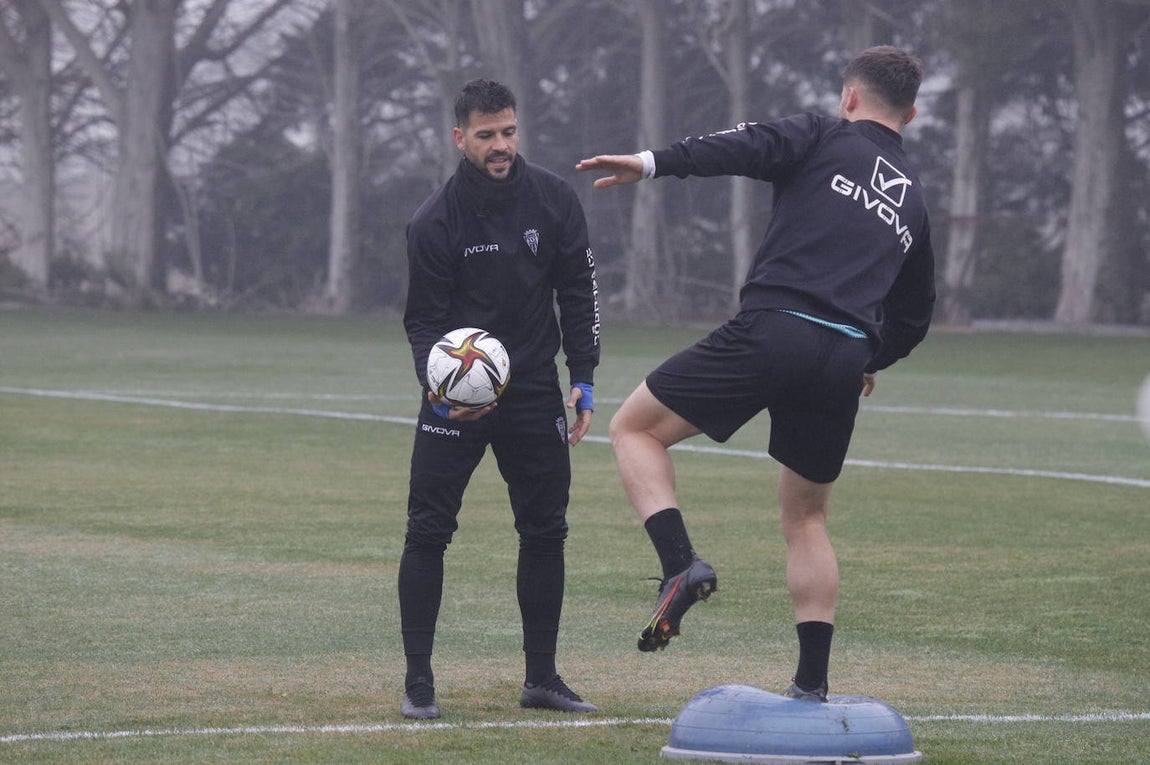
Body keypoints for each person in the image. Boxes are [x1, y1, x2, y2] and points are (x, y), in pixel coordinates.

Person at [575, 46, 935, 702]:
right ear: (909, 114)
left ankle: (680, 564)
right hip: (845, 353)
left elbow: (742, 145)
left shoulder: (824, 132)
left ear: (849, 97)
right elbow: (914, 317)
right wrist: (867, 358)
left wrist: (651, 163)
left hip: (776, 327)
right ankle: (812, 685)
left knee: (634, 429)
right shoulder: (911, 198)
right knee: (807, 518)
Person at [399, 78, 601, 719]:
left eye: (508, 131)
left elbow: (578, 290)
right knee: (428, 533)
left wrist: (585, 373)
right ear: (460, 138)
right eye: (486, 134)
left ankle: (541, 678)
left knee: (546, 531)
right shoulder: (435, 221)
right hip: (455, 402)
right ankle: (419, 683)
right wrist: (440, 392)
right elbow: (423, 323)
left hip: (535, 388)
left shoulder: (554, 199)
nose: (500, 145)